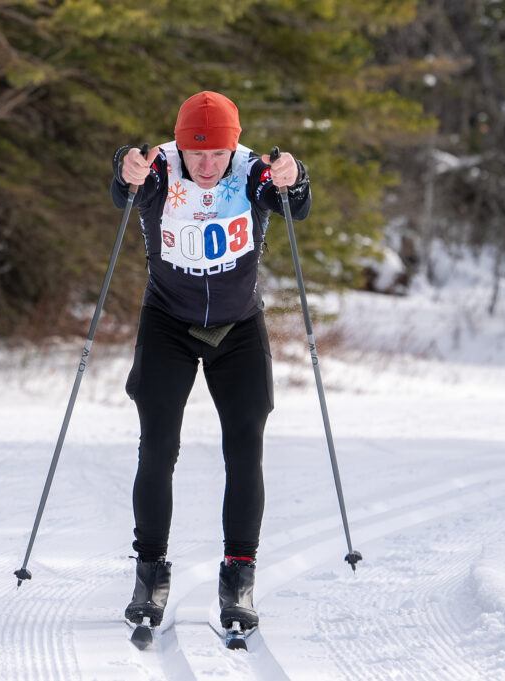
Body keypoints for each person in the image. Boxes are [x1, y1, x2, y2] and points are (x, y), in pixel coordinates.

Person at [109, 91, 311, 632]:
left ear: (233, 146)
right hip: (168, 323)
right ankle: (150, 571)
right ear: (179, 144)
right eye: (195, 153)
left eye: (216, 154)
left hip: (238, 328)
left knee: (245, 448)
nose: (205, 165)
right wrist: (125, 168)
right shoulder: (159, 168)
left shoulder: (251, 173)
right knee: (157, 447)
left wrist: (295, 176)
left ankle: (239, 575)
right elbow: (127, 183)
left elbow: (293, 200)